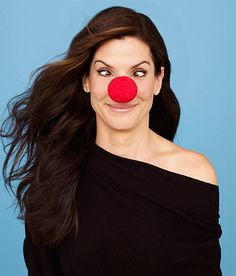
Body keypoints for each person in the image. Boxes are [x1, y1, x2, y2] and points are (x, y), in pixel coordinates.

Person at [1, 5, 222, 276]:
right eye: (105, 72)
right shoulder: (54, 178)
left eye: (138, 73)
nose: (122, 90)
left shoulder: (194, 174)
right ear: (86, 80)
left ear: (158, 80)